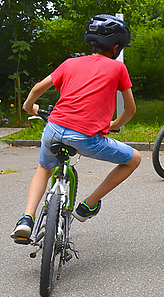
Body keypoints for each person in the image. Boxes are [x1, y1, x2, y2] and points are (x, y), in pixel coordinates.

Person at [11, 14, 142, 241]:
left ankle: (26, 219)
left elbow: (37, 88)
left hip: (53, 129)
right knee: (134, 159)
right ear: (117, 46)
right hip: (86, 138)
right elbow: (130, 110)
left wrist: (29, 107)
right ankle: (87, 206)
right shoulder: (117, 69)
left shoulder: (70, 63)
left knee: (44, 169)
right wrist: (113, 126)